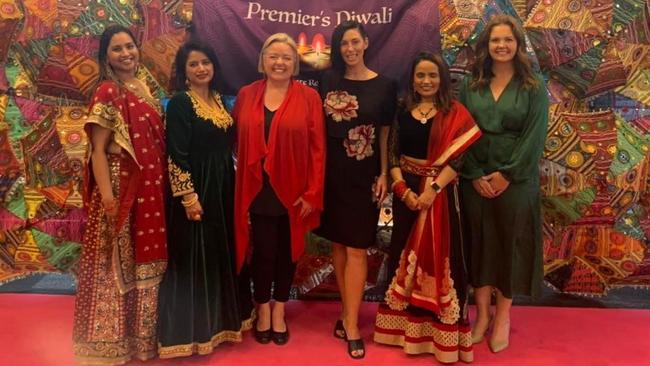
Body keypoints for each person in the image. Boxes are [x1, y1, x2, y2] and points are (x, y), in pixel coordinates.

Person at [373, 52, 481, 363]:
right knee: (402, 257)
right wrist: (404, 191)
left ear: (442, 78)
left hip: (442, 196)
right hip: (406, 194)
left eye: (432, 75)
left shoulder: (454, 112)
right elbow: (393, 155)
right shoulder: (402, 111)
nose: (426, 81)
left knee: (442, 259)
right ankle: (402, 331)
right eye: (420, 76)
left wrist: (431, 190)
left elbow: (458, 161)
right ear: (412, 80)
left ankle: (441, 337)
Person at [72, 25, 167, 365]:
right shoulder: (107, 91)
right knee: (116, 265)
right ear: (106, 56)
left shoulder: (143, 87)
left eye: (130, 46)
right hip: (120, 187)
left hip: (151, 190)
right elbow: (97, 151)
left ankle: (144, 341)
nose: (126, 53)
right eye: (117, 49)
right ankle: (110, 343)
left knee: (144, 263)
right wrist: (110, 200)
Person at [459, 14, 549, 353]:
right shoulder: (471, 83)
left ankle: (503, 318)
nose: (501, 45)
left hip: (517, 179)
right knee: (479, 244)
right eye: (495, 40)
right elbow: (462, 131)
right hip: (475, 177)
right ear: (486, 45)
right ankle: (481, 316)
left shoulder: (534, 86)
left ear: (518, 44)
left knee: (509, 246)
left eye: (507, 40)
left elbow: (534, 137)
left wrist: (507, 174)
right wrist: (475, 173)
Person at [157, 41, 253, 358]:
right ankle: (193, 333)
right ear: (184, 73)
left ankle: (221, 324)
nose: (201, 69)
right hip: (198, 190)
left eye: (206, 62)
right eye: (194, 64)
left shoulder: (217, 100)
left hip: (222, 188)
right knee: (195, 259)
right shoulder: (182, 103)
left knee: (218, 255)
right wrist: (188, 197)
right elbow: (177, 154)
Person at [233, 33, 325, 346]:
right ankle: (262, 311)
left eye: (286, 57)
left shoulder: (309, 97)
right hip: (257, 187)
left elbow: (318, 148)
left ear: (295, 63)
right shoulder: (247, 94)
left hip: (295, 190)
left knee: (287, 253)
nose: (280, 62)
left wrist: (313, 192)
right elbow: (235, 139)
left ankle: (280, 311)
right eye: (273, 56)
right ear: (263, 60)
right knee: (263, 253)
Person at [314, 20, 396, 359]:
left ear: (365, 42)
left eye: (353, 42)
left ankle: (351, 324)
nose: (349, 48)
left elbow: (385, 135)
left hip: (365, 177)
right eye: (342, 44)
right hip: (331, 175)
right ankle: (346, 316)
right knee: (340, 246)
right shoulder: (327, 80)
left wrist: (383, 175)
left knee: (359, 248)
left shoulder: (386, 85)